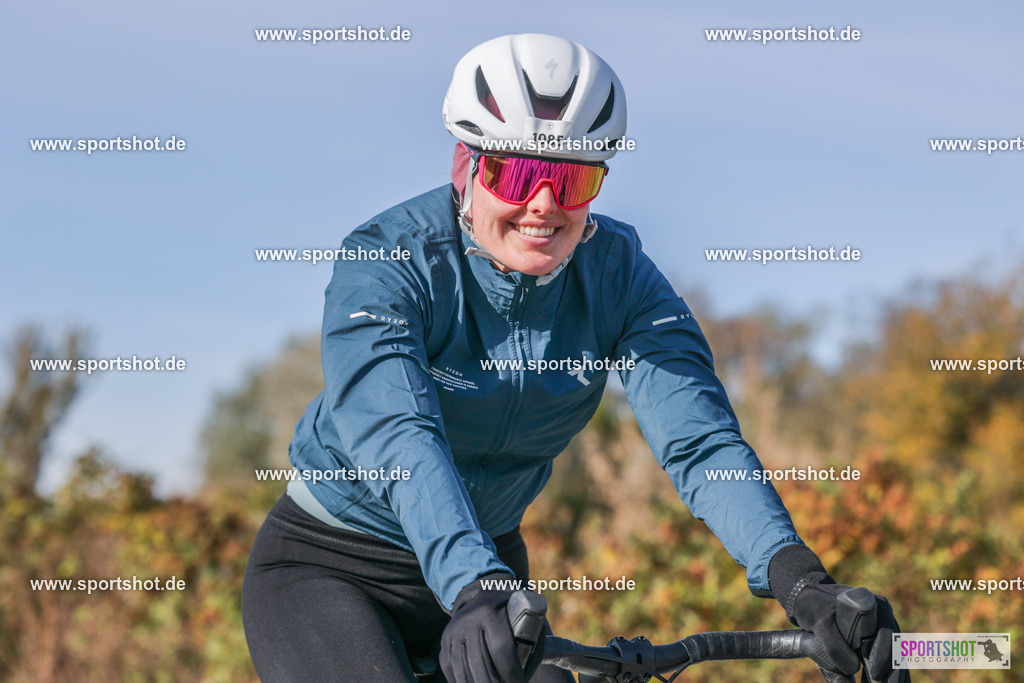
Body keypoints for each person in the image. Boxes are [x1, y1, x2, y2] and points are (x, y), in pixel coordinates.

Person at [241, 33, 907, 683]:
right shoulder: (387, 259)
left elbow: (701, 441)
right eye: (515, 172)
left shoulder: (619, 274)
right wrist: (472, 581)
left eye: (572, 177)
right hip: (336, 564)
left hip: (492, 572)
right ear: (464, 165)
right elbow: (398, 434)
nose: (543, 204)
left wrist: (801, 580)